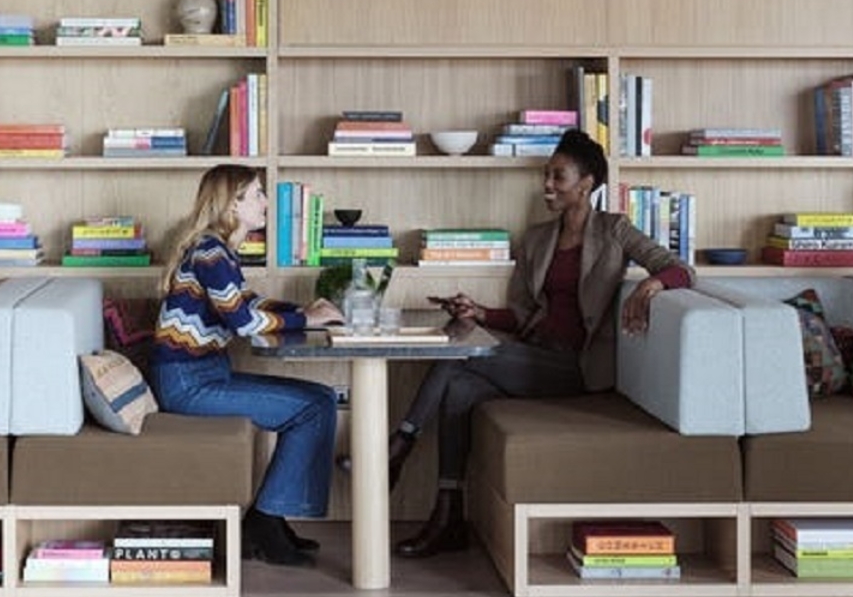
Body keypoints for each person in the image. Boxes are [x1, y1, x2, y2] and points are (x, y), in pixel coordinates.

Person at [379, 128, 694, 558]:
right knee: (460, 386)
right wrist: (479, 313)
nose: (547, 185)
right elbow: (525, 315)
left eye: (558, 176)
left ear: (586, 184)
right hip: (534, 356)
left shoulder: (614, 229)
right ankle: (448, 516)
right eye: (546, 175)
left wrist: (650, 285)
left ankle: (400, 445)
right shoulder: (538, 238)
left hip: (578, 367)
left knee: (462, 354)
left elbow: (680, 269)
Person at [151, 164, 343, 566]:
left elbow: (247, 303)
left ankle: (271, 518)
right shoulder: (210, 253)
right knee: (312, 408)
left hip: (205, 375)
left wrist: (305, 310)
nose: (266, 202)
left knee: (323, 398)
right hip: (189, 386)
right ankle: (265, 521)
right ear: (233, 204)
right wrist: (307, 318)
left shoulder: (218, 250)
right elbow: (243, 321)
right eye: (257, 194)